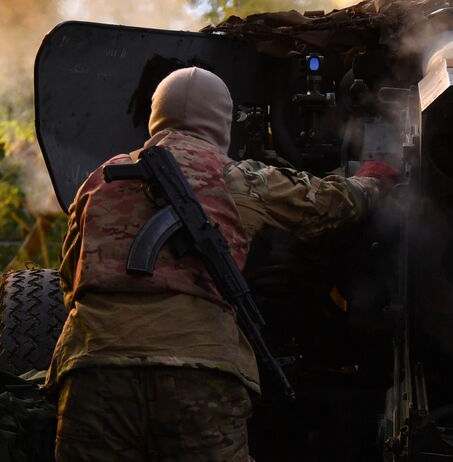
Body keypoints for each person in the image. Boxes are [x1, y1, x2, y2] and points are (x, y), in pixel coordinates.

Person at [46, 66, 398, 461]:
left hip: (92, 369)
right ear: (222, 121)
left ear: (154, 116)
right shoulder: (237, 178)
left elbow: (69, 280)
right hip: (198, 369)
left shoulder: (97, 181)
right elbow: (327, 206)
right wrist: (370, 181)